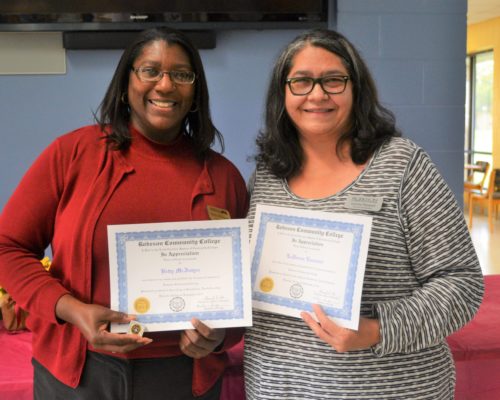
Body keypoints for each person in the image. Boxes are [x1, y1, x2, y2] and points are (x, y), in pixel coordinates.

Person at [0, 27, 248, 399]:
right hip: (80, 373)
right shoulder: (72, 154)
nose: (165, 85)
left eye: (181, 74)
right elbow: (8, 246)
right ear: (125, 84)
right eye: (149, 70)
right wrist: (70, 309)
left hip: (184, 378)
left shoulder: (224, 177)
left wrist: (217, 338)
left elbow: (241, 291)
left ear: (195, 92)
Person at [244, 29, 484, 399]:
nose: (318, 94)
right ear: (283, 93)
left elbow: (461, 282)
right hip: (279, 387)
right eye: (302, 81)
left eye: (333, 80)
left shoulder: (402, 165)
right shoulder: (266, 177)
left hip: (393, 389)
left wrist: (376, 330)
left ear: (356, 89)